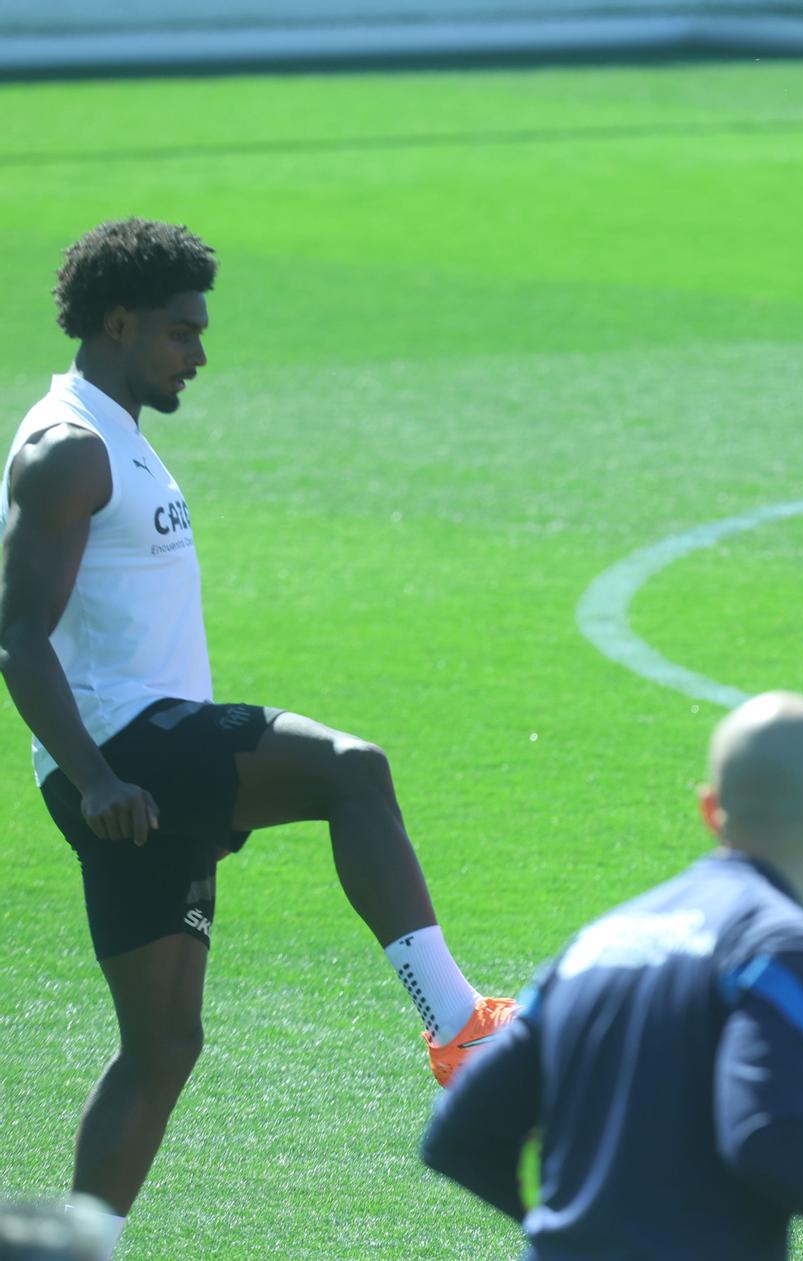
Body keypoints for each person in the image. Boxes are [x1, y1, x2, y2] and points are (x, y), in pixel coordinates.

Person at [0, 219, 513, 1245]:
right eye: (182, 331)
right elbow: (15, 632)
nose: (199, 351)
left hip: (134, 771)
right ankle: (456, 1023)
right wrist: (97, 776)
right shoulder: (69, 448)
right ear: (118, 320)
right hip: (129, 749)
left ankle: (67, 1245)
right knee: (351, 772)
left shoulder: (116, 434)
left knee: (163, 1045)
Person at [422, 692, 803, 1261]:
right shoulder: (794, 950)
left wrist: (565, 1232)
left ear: (711, 809)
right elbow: (765, 1133)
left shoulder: (593, 945)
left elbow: (459, 1135)